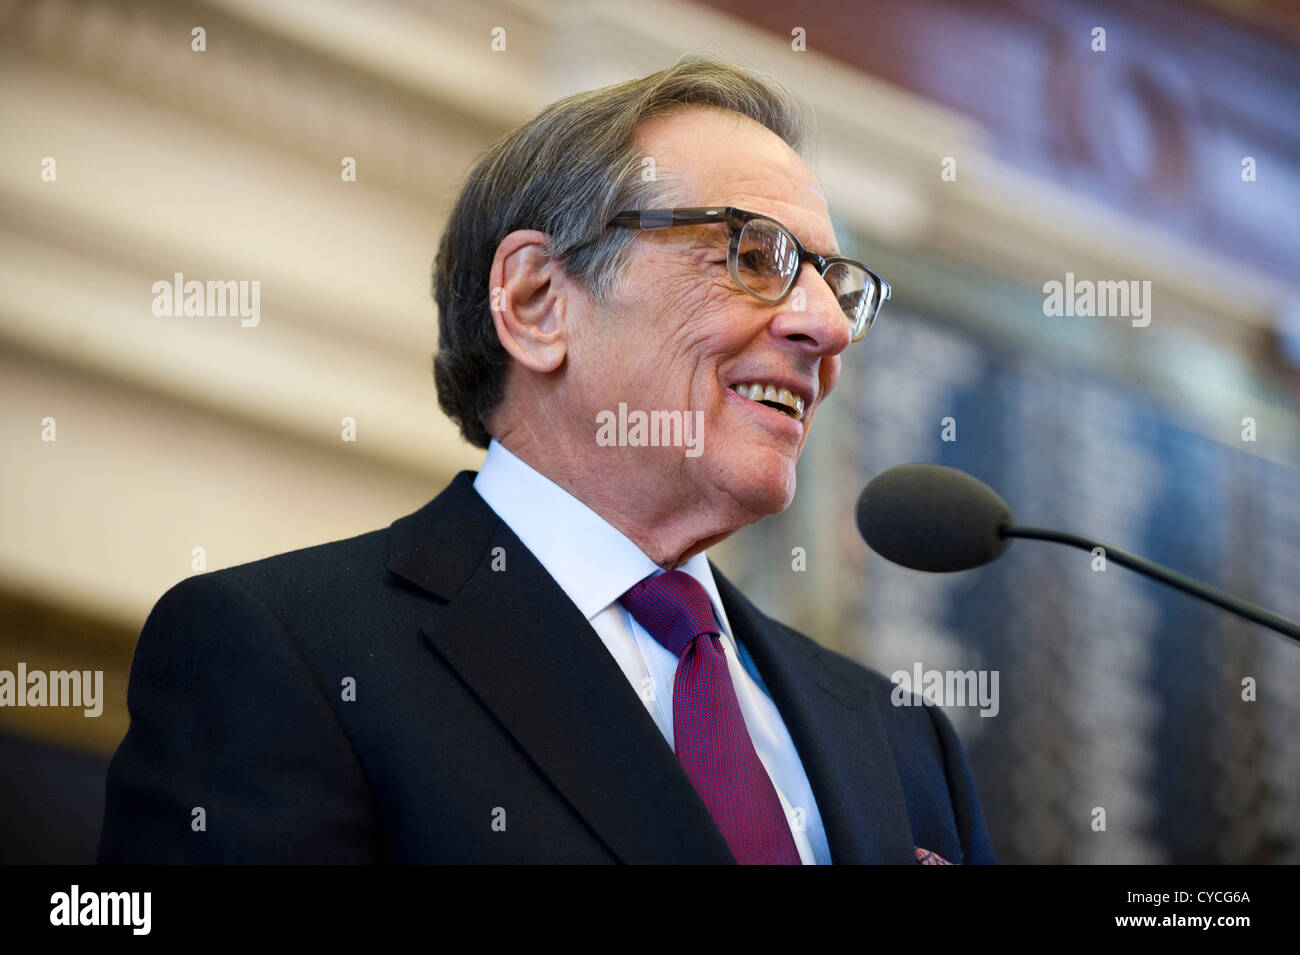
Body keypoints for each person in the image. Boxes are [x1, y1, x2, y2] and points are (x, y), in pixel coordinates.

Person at [98, 55, 997, 865]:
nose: (828, 327)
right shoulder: (284, 655)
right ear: (536, 301)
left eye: (837, 285)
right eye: (755, 254)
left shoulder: (901, 740)